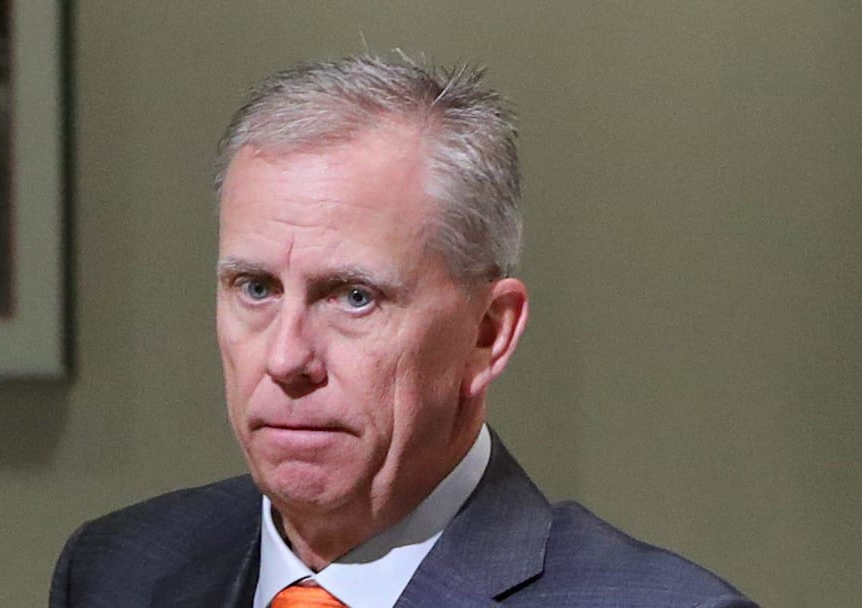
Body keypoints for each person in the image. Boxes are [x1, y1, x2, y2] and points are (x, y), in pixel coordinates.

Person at [50, 55, 757, 607]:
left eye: (354, 297)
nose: (287, 358)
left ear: (488, 334)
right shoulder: (114, 571)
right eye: (256, 288)